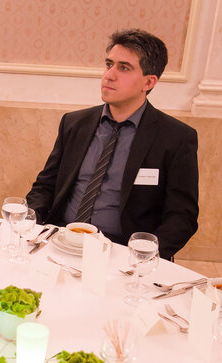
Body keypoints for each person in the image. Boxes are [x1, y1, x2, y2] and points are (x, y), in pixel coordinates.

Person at [26, 29, 198, 260]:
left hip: (123, 253)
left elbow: (182, 216)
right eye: (109, 65)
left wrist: (143, 256)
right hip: (61, 241)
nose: (109, 75)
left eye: (124, 68)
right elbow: (45, 186)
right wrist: (32, 225)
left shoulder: (175, 137)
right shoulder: (74, 123)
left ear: (149, 81)